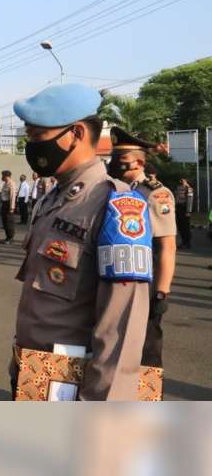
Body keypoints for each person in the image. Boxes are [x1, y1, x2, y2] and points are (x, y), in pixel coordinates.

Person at [9, 83, 152, 401]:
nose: (31, 147)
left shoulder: (116, 206)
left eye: (36, 137)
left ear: (74, 133)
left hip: (72, 385)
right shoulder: (53, 198)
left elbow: (121, 327)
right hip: (34, 372)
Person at [107, 127, 176, 395]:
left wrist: (161, 293)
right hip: (114, 280)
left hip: (145, 285)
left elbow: (167, 246)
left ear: (139, 162)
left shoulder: (155, 194)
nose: (114, 165)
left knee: (146, 354)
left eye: (120, 161)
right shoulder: (113, 190)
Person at [174, 178, 193, 249]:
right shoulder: (177, 187)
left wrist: (188, 211)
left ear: (186, 181)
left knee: (185, 227)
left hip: (184, 208)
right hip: (178, 207)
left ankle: (187, 242)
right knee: (180, 226)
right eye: (180, 179)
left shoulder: (189, 189)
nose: (181, 181)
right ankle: (183, 241)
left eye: (183, 180)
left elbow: (190, 201)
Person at [0, 170, 16, 244]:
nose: (1, 177)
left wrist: (11, 207)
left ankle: (11, 238)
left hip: (8, 204)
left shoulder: (11, 184)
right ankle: (7, 237)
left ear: (6, 176)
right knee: (5, 221)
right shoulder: (5, 183)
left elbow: (12, 196)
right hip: (4, 204)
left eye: (2, 175)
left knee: (9, 222)